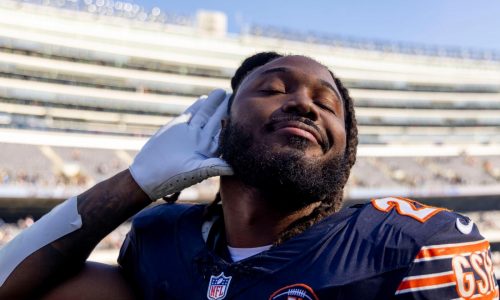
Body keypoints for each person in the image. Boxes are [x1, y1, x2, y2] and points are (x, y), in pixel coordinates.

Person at [0, 52, 498, 299]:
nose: (304, 103)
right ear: (220, 127)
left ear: (346, 153)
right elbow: (10, 283)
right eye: (274, 89)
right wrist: (136, 183)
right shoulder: (159, 245)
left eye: (327, 104)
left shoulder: (412, 247)